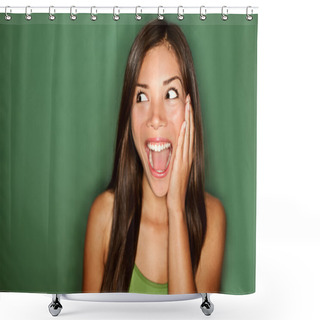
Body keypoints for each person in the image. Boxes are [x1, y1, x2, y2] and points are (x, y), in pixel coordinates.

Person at [82, 19, 226, 294]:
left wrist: (176, 209)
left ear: (190, 109)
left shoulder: (213, 219)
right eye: (141, 97)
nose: (155, 118)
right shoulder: (104, 216)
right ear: (128, 114)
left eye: (170, 93)